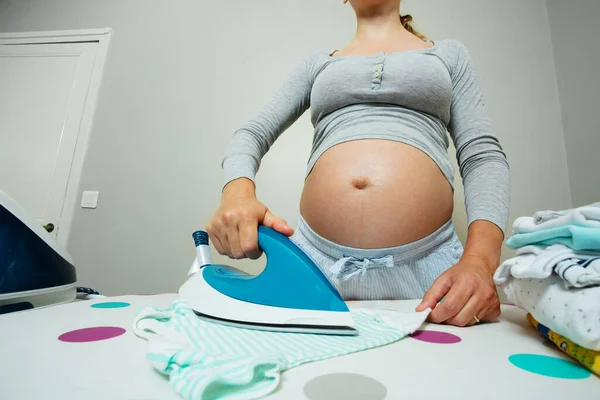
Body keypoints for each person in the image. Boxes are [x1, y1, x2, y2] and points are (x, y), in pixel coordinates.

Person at [207, 0, 510, 327]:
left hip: (432, 273)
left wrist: (480, 262)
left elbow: (481, 155)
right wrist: (237, 195)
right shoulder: (318, 64)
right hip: (316, 268)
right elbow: (252, 133)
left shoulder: (449, 55)